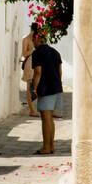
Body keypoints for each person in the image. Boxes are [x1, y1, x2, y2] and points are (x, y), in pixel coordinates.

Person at [29, 25, 63, 156]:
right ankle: (51, 145)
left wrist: (35, 88)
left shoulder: (37, 53)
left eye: (33, 39)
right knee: (50, 118)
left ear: (37, 39)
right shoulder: (55, 52)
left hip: (45, 87)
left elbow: (38, 71)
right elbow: (60, 71)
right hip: (56, 87)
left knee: (46, 118)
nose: (32, 42)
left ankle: (46, 147)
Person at [21, 28, 37, 116]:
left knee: (38, 85)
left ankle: (32, 106)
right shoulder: (26, 40)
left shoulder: (36, 39)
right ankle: (32, 110)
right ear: (32, 30)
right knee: (29, 86)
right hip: (29, 64)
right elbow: (24, 54)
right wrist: (33, 50)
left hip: (38, 64)